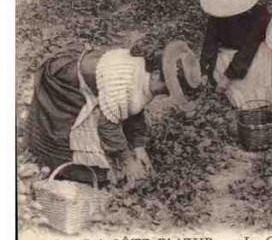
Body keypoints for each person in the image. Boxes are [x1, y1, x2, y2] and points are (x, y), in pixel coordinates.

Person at [24, 36, 195, 187]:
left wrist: (139, 147)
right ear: (157, 74)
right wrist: (128, 161)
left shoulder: (144, 76)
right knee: (66, 131)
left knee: (108, 136)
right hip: (63, 78)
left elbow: (135, 109)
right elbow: (107, 126)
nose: (165, 94)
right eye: (167, 88)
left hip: (88, 77)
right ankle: (57, 165)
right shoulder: (123, 82)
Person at [200, 0, 272, 109]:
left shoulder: (259, 14)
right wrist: (204, 70)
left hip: (253, 55)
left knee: (246, 80)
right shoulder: (216, 15)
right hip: (229, 51)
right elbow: (210, 41)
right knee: (216, 71)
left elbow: (248, 49)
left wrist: (227, 77)